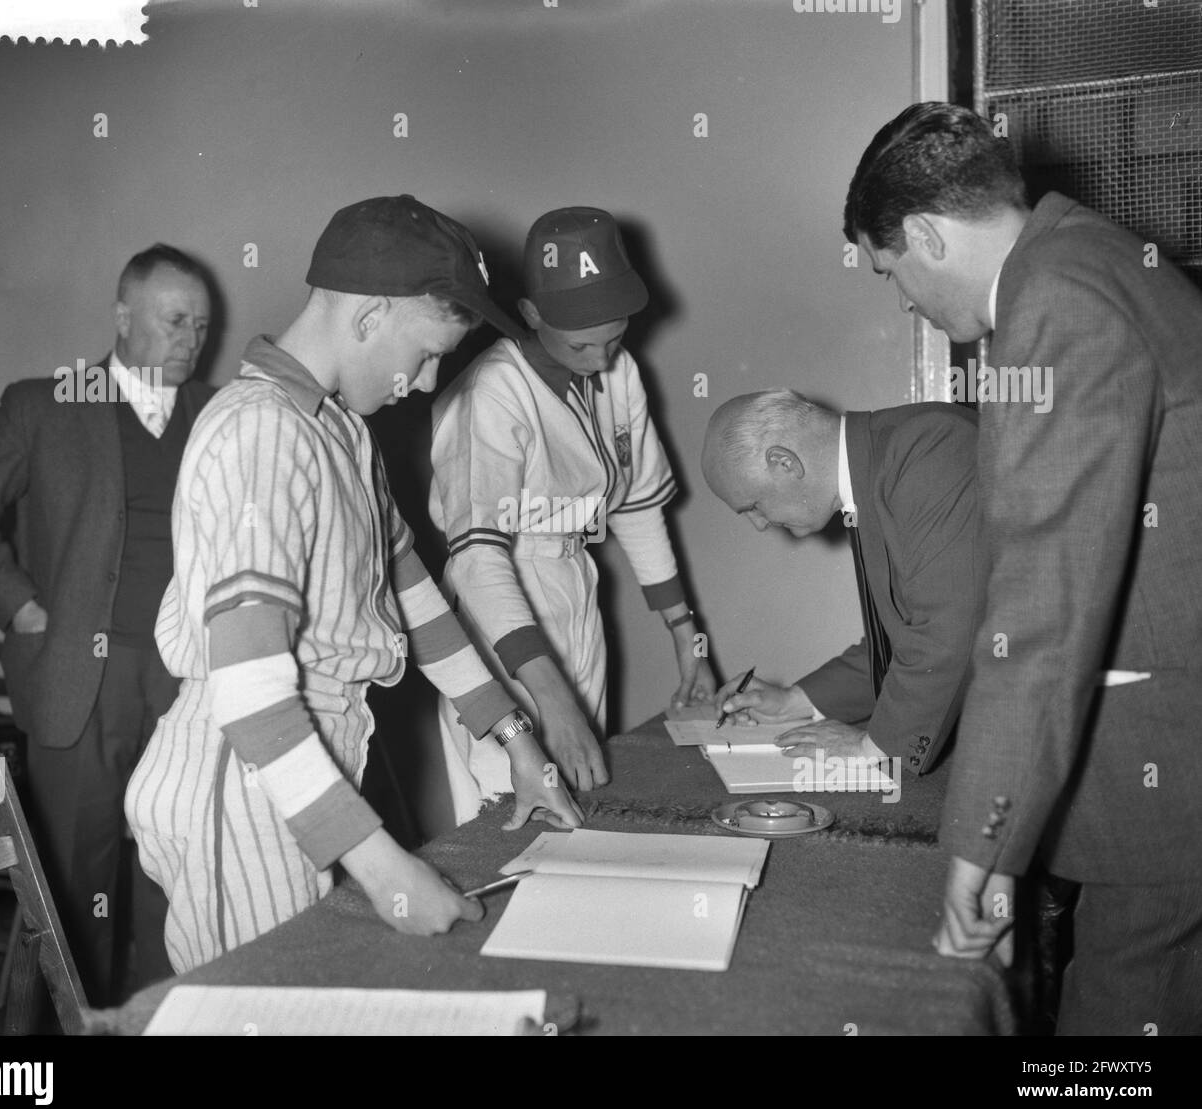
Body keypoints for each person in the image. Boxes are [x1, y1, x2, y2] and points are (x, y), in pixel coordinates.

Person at [124, 196, 582, 973]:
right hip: (241, 786)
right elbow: (252, 694)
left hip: (301, 776)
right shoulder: (261, 431)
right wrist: (385, 866)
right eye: (428, 353)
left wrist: (514, 739)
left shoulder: (337, 428)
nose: (428, 380)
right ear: (370, 317)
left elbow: (411, 594)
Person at [845, 101, 1202, 1034]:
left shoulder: (1056, 300)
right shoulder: (1089, 255)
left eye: (891, 272)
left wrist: (982, 846)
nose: (903, 301)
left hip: (1171, 770)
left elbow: (1044, 601)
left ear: (924, 234)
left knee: (1114, 1029)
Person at [0, 244, 215, 1005]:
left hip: (188, 681)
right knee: (73, 889)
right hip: (81, 679)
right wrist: (22, 606)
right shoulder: (44, 403)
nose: (190, 338)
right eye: (174, 319)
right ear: (122, 316)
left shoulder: (219, 414)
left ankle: (161, 1018)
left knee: (179, 872)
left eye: (201, 325)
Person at [428, 206, 716, 825]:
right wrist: (549, 702)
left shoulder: (621, 374)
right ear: (532, 315)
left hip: (575, 587)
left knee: (584, 798)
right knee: (509, 808)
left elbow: (636, 507)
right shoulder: (494, 392)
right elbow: (477, 557)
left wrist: (685, 638)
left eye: (613, 339)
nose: (600, 358)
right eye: (580, 343)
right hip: (499, 607)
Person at [704, 391, 982, 775]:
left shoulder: (929, 447)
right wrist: (793, 701)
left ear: (783, 462)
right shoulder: (884, 464)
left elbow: (950, 627)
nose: (760, 524)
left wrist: (872, 748)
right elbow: (902, 638)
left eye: (753, 506)